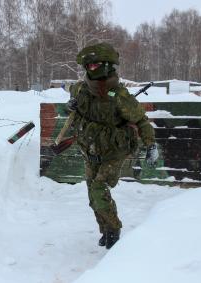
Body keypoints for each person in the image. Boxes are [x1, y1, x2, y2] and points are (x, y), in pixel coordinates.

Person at [67, 43, 158, 249]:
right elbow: (71, 95)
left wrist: (151, 145)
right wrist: (71, 104)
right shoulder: (81, 89)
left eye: (95, 65)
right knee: (93, 196)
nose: (91, 69)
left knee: (99, 190)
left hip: (113, 152)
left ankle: (114, 230)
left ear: (107, 66)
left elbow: (142, 121)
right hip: (91, 150)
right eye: (88, 66)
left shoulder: (119, 95)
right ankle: (105, 230)